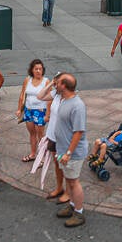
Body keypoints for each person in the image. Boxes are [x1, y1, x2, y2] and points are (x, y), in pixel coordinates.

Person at [53, 73, 88, 227]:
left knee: (74, 182)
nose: (55, 84)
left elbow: (78, 132)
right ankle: (72, 205)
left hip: (72, 152)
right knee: (69, 179)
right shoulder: (64, 100)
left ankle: (79, 212)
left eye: (58, 82)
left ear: (64, 86)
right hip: (62, 149)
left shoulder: (77, 105)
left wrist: (68, 153)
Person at [37, 72, 69, 203]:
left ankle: (68, 192)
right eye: (56, 82)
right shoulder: (55, 94)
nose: (57, 85)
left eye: (59, 82)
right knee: (57, 164)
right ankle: (59, 187)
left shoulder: (69, 98)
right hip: (52, 135)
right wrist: (51, 83)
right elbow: (40, 96)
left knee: (65, 165)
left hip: (63, 138)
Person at [16, 59, 50, 162]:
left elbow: (50, 99)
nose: (38, 71)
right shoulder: (27, 80)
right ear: (32, 70)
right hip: (28, 110)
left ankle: (43, 157)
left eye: (40, 69)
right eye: (36, 69)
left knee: (41, 135)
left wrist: (48, 114)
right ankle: (33, 154)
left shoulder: (46, 81)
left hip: (40, 111)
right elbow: (22, 95)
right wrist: (19, 109)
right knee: (32, 133)